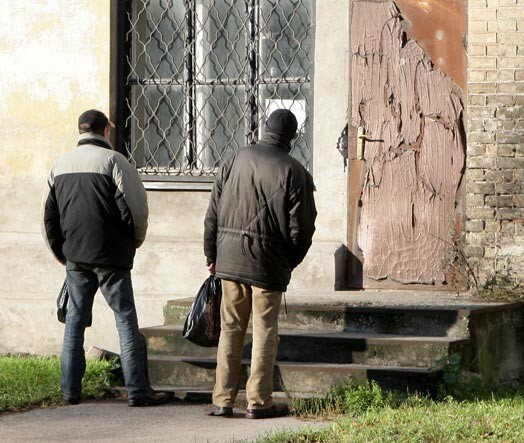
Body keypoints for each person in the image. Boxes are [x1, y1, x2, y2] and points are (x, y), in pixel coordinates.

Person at [42, 109, 168, 407]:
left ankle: (70, 391)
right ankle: (137, 391)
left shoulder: (59, 166)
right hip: (112, 256)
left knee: (74, 321)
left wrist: (62, 252)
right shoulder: (115, 162)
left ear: (80, 130)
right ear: (106, 131)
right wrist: (132, 243)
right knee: (124, 319)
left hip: (76, 256)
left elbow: (49, 216)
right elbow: (135, 210)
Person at [203, 109, 317, 419]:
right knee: (265, 329)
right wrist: (289, 261)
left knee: (230, 329)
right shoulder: (295, 171)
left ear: (265, 129)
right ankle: (258, 402)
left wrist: (211, 254)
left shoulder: (234, 158)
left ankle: (223, 400)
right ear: (292, 137)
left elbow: (213, 211)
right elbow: (303, 228)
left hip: (229, 258)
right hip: (269, 264)